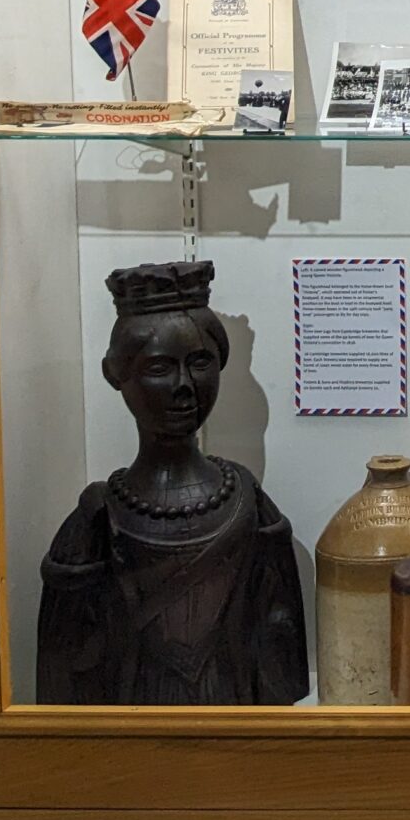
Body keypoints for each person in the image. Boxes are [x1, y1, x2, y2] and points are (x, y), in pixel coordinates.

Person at [36, 261, 307, 705]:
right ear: (115, 375)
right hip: (134, 741)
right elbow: (63, 682)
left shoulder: (247, 503)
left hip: (235, 731)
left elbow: (280, 659)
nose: (184, 386)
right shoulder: (96, 519)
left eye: (200, 362)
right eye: (160, 368)